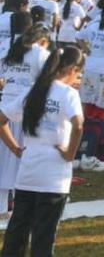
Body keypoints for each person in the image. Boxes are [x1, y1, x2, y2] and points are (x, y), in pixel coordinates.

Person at [0, 44, 84, 257]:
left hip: (28, 168)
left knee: (17, 229)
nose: (79, 78)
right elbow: (79, 125)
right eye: (79, 73)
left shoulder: (34, 90)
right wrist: (70, 154)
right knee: (44, 235)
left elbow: (2, 120)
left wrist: (16, 149)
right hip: (54, 173)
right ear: (72, 69)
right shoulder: (68, 94)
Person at [0, 22, 51, 199]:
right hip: (25, 109)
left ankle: (4, 203)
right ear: (43, 40)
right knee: (22, 158)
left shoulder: (9, 48)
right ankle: (18, 200)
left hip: (5, 108)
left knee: (4, 161)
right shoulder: (40, 53)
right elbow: (49, 80)